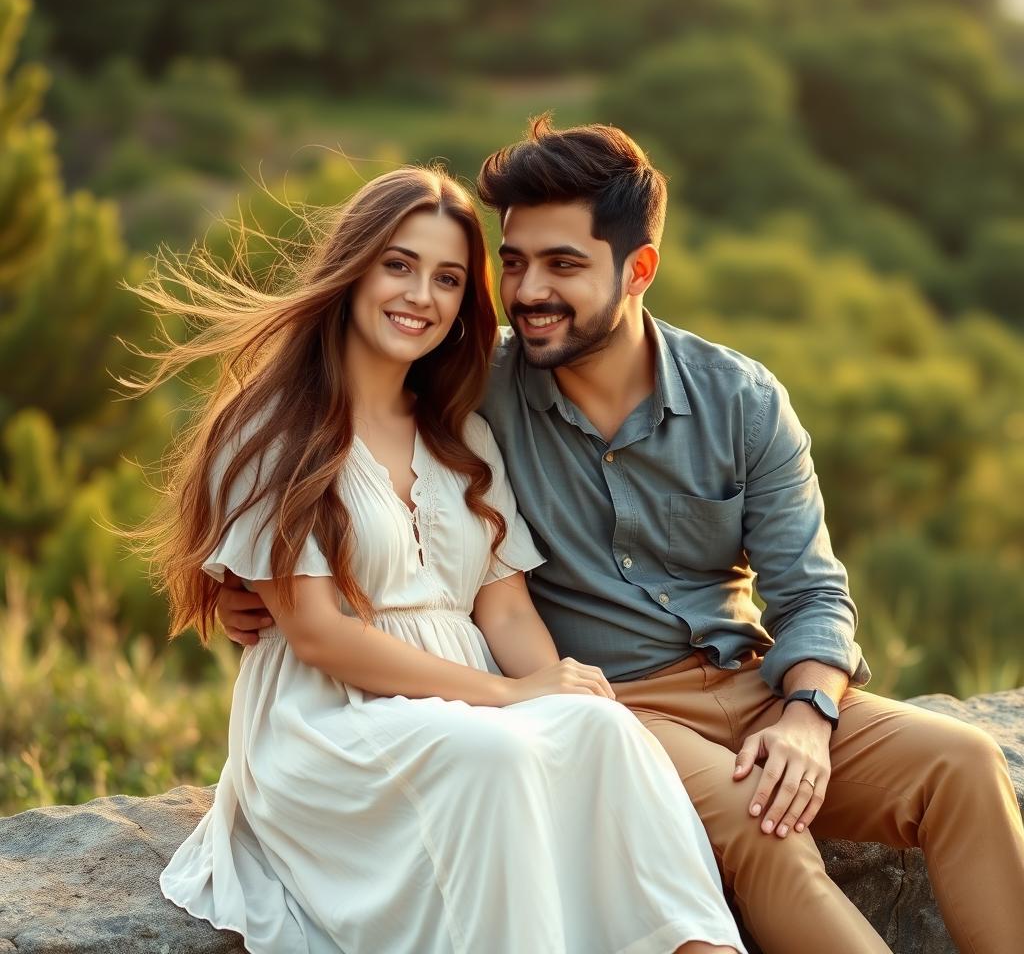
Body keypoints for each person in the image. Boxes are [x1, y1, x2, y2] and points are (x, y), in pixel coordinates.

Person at [216, 119, 1024, 954]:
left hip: (752, 684)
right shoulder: (473, 384)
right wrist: (253, 591)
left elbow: (814, 592)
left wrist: (808, 714)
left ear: (638, 269)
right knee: (763, 829)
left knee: (963, 764)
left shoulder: (741, 401)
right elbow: (337, 439)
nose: (529, 291)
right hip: (620, 705)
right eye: (516, 261)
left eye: (564, 264)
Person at [133, 166, 746, 954]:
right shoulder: (273, 430)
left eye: (447, 278)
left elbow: (505, 608)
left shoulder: (461, 435)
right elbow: (320, 635)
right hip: (328, 723)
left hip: (466, 710)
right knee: (493, 752)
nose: (420, 295)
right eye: (399, 265)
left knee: (604, 732)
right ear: (352, 270)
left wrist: (564, 693)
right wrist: (510, 694)